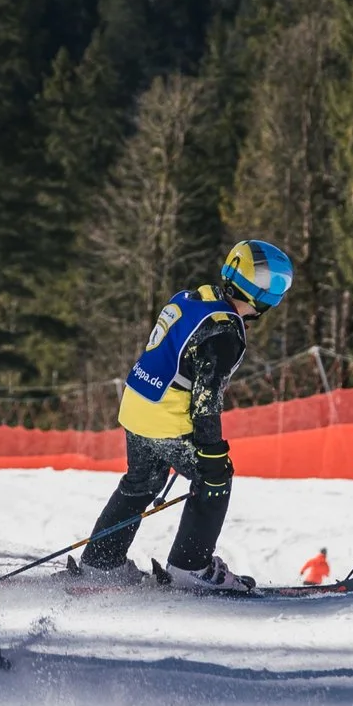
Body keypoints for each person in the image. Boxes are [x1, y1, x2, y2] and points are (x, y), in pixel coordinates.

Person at [79, 239, 294, 594]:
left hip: (137, 404)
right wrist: (212, 454)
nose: (277, 295)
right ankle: (190, 566)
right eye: (277, 285)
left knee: (141, 483)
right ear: (261, 291)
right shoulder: (225, 331)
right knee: (215, 480)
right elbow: (206, 400)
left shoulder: (194, 298)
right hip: (167, 419)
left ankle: (101, 562)